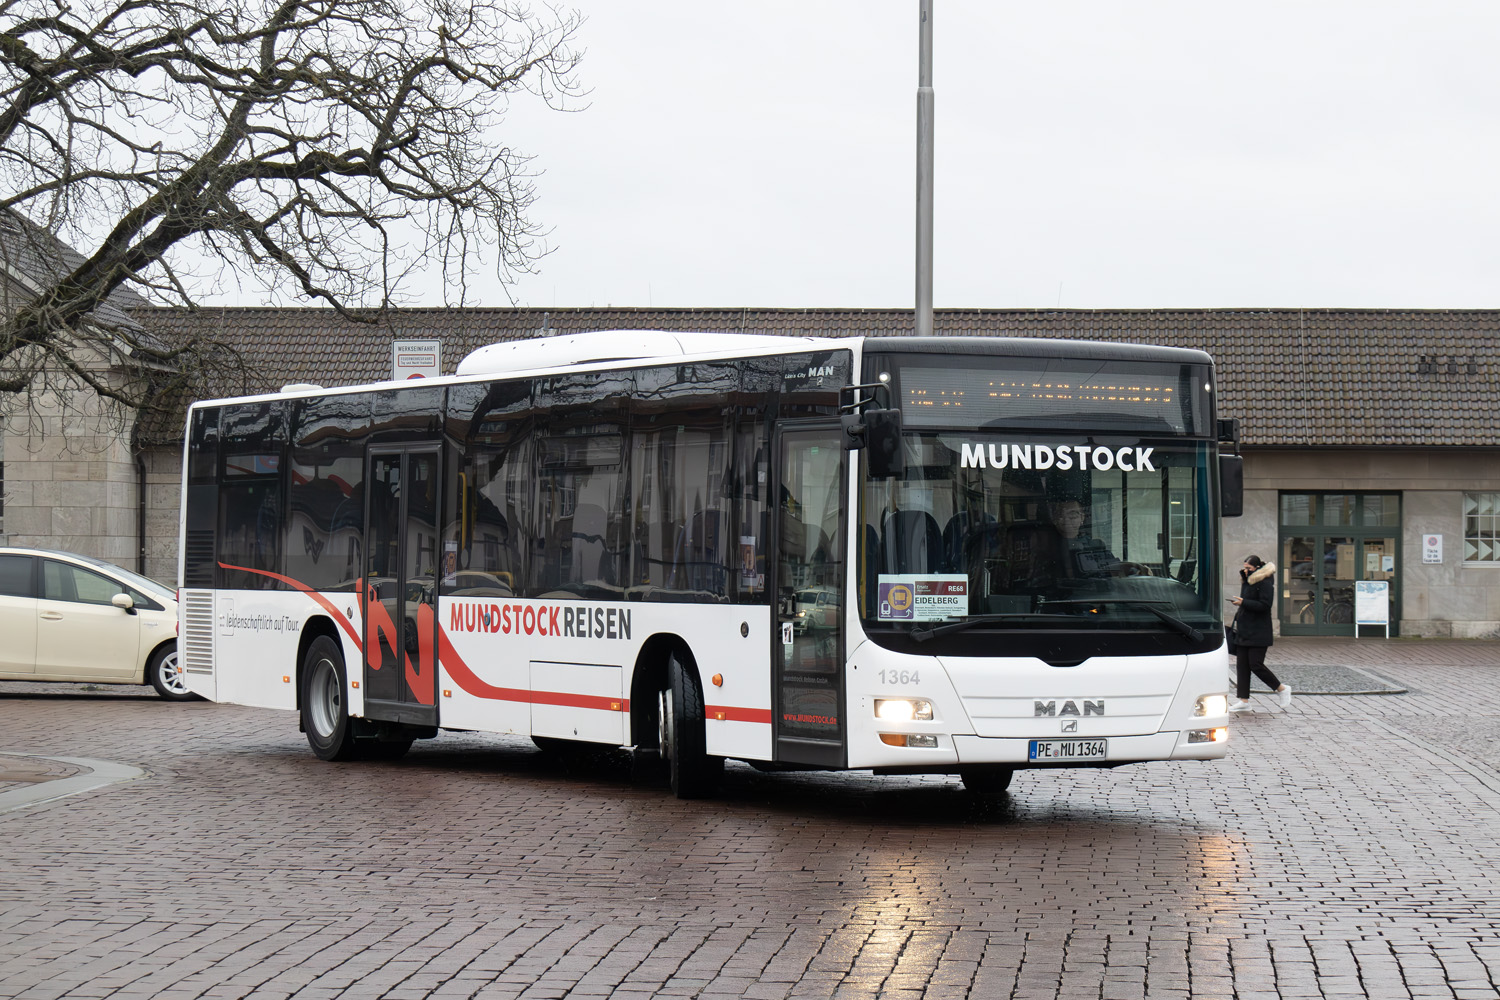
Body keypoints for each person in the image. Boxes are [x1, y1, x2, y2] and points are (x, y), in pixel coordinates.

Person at [1228, 554, 1292, 712]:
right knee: (1242, 665)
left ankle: (1281, 689)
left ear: (1257, 568)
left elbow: (1265, 605)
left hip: (1259, 631)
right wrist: (1241, 601)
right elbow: (1248, 601)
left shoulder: (1265, 581)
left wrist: (1244, 602)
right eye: (1244, 567)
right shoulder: (1248, 580)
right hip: (1244, 629)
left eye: (1248, 568)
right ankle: (1244, 701)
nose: (1245, 570)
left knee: (1255, 664)